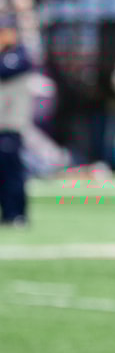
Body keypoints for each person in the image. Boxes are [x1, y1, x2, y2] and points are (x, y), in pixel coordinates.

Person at [0, 15, 33, 227]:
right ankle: (7, 214)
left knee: (12, 172)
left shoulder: (19, 56)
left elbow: (4, 70)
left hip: (11, 123)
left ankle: (18, 214)